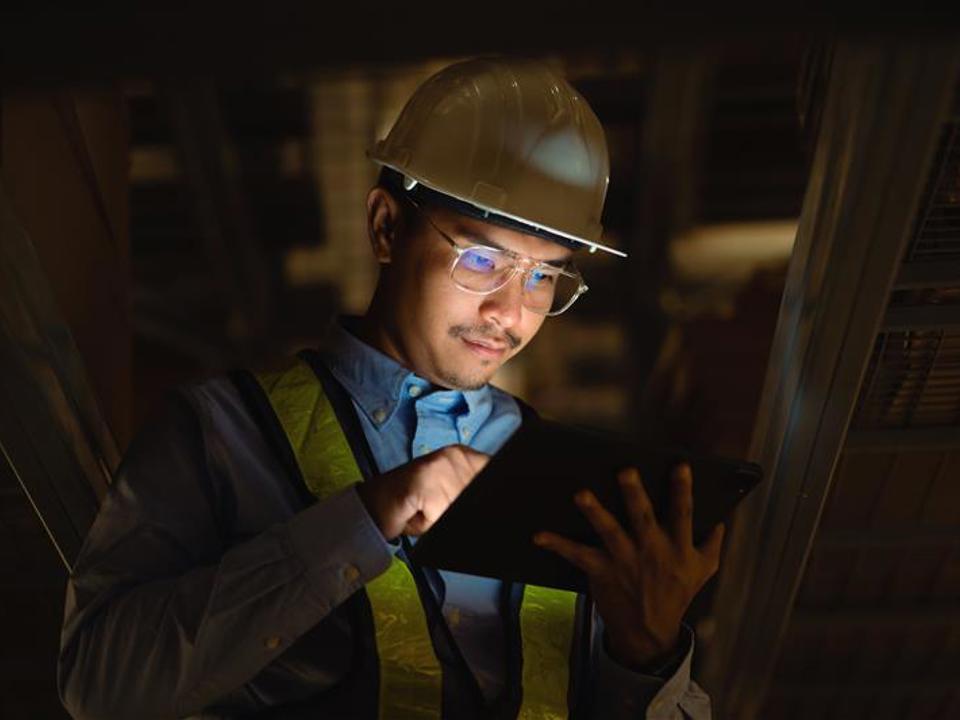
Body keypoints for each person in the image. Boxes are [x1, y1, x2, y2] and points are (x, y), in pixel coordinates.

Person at [58, 56, 724, 719]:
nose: (510, 313)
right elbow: (98, 685)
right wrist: (366, 517)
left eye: (543, 277)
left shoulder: (566, 485)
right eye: (482, 259)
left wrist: (647, 657)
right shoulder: (220, 434)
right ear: (386, 227)